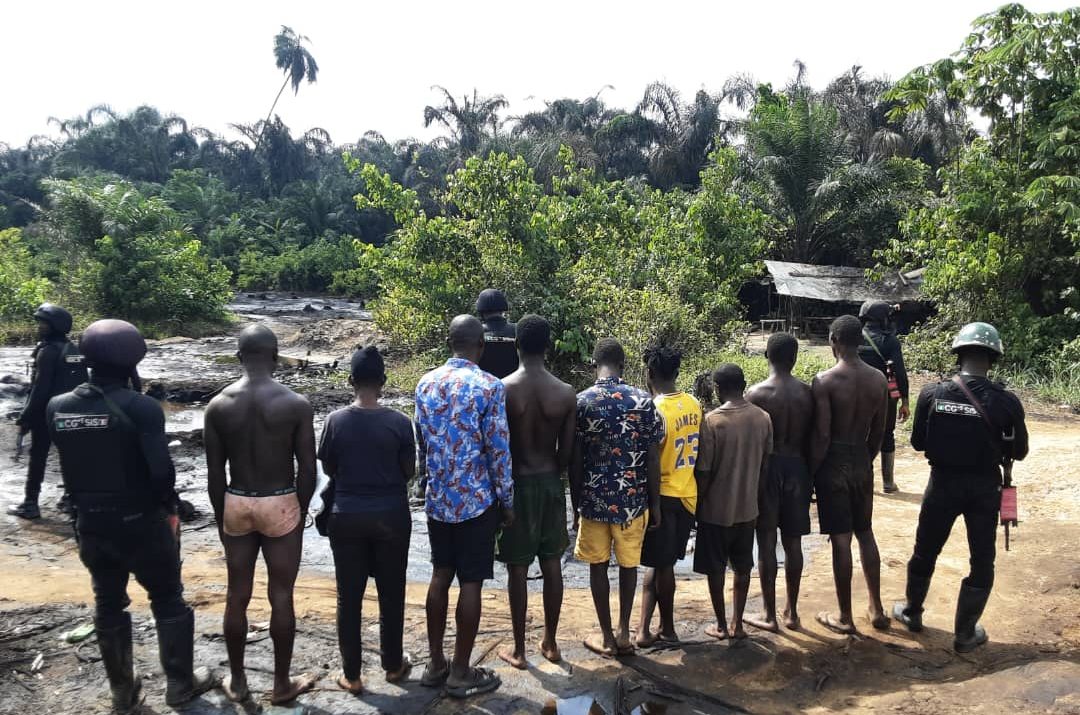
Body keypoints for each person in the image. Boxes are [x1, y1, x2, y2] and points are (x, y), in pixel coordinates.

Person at [47, 319, 216, 711]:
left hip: (90, 523)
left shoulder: (58, 407)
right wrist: (170, 509)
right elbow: (161, 474)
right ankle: (180, 684)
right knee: (167, 598)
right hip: (141, 521)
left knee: (108, 602)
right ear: (132, 359)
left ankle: (123, 692)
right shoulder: (141, 408)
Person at [894, 322, 1028, 652]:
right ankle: (965, 634)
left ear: (958, 354)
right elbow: (1019, 451)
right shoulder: (1007, 402)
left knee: (925, 550)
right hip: (985, 489)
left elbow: (918, 443)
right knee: (982, 560)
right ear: (993, 359)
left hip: (942, 485)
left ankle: (912, 612)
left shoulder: (932, 394)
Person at [204, 325, 317, 705]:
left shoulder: (218, 406)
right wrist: (299, 510)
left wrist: (222, 517)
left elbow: (215, 474)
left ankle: (238, 682)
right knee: (281, 595)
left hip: (237, 500)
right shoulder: (295, 404)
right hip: (280, 501)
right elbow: (307, 469)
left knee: (237, 595)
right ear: (275, 356)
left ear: (239, 357)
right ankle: (282, 684)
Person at [415, 315, 513, 698]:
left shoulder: (425, 384)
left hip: (438, 500)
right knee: (470, 582)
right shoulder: (489, 387)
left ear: (449, 343)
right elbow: (498, 449)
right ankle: (460, 671)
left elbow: (423, 444)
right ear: (481, 346)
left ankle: (435, 663)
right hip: (476, 501)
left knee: (441, 574)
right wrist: (507, 500)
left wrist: (425, 486)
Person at [318, 346, 414, 693]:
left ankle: (352, 675)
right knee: (391, 593)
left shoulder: (335, 421)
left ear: (350, 381)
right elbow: (409, 472)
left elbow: (328, 467)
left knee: (349, 597)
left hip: (346, 515)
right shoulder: (400, 423)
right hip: (391, 516)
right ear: (383, 382)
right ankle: (393, 666)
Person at [571, 338, 662, 657]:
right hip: (633, 503)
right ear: (623, 365)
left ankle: (607, 636)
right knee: (628, 565)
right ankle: (624, 632)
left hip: (594, 502)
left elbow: (575, 461)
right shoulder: (643, 401)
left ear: (594, 364)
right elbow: (653, 457)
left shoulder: (581, 402)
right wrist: (655, 503)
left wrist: (576, 506)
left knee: (597, 565)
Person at [495, 314, 576, 669]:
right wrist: (553, 475)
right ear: (548, 346)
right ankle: (551, 643)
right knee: (552, 562)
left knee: (517, 568)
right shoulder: (565, 393)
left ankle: (519, 649)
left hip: (516, 483)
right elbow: (567, 453)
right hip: (550, 482)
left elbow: (498, 447)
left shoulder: (502, 389)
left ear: (516, 344)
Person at [810, 315, 890, 634]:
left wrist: (813, 471)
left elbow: (822, 435)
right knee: (865, 532)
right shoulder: (878, 380)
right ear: (859, 341)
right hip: (861, 458)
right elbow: (880, 431)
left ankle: (845, 616)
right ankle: (877, 608)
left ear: (834, 341)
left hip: (834, 461)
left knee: (841, 539)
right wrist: (866, 459)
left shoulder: (824, 381)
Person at [694, 364, 772, 641]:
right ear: (744, 385)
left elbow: (704, 471)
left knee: (715, 569)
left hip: (715, 511)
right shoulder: (763, 418)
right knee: (743, 566)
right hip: (747, 509)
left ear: (717, 389)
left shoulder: (712, 422)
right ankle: (738, 624)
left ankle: (721, 625)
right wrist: (756, 499)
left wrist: (697, 506)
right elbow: (765, 466)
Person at [745, 333, 814, 631]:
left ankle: (769, 614)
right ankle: (792, 612)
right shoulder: (808, 393)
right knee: (793, 542)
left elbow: (751, 442)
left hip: (768, 469)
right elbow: (815, 436)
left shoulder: (755, 394)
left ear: (767, 356)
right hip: (798, 468)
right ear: (795, 358)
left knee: (766, 542)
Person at [635, 345, 702, 647]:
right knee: (660, 563)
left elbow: (649, 460)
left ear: (649, 373)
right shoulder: (693, 404)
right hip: (687, 494)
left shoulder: (654, 409)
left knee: (662, 566)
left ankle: (668, 628)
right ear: (677, 372)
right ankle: (643, 628)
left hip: (661, 496)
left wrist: (652, 505)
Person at [8, 303, 87, 519]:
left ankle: (30, 504)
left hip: (47, 413)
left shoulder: (48, 351)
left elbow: (40, 389)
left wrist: (25, 417)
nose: (39, 327)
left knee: (38, 457)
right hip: (71, 412)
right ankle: (71, 501)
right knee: (70, 457)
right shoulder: (74, 350)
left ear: (55, 326)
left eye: (43, 323)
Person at [858, 300, 910, 493]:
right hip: (886, 395)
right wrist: (905, 401)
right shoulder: (890, 341)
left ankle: (863, 478)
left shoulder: (855, 337)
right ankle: (888, 482)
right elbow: (900, 373)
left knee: (861, 435)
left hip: (858, 394)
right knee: (887, 434)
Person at [476, 288, 518, 379]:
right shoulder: (517, 330)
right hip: (515, 384)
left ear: (481, 310)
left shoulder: (476, 332)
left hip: (484, 385)